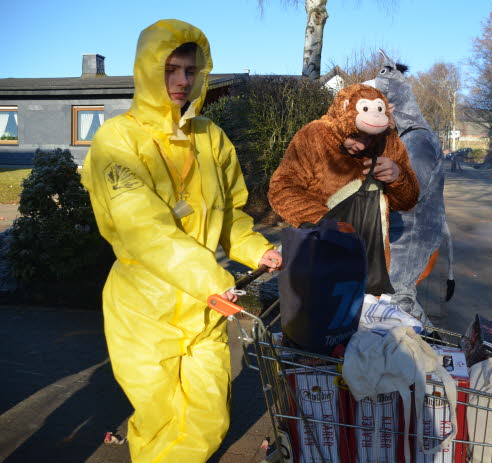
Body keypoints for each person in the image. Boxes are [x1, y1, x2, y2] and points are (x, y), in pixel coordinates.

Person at [81, 19, 281, 463]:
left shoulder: (211, 137)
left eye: (191, 70)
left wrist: (255, 250)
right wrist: (211, 278)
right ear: (147, 69)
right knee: (161, 417)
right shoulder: (117, 140)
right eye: (170, 68)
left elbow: (230, 214)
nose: (181, 81)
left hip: (204, 305)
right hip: (143, 307)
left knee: (210, 417)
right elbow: (143, 228)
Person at [267, 84, 419, 295]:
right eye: (356, 136)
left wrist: (398, 176)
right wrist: (326, 224)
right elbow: (282, 189)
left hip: (370, 265)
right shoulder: (314, 136)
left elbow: (408, 201)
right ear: (343, 119)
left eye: (369, 138)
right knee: (316, 318)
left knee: (362, 323)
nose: (363, 146)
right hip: (317, 257)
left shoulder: (388, 142)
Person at [364, 51, 455, 326]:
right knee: (382, 296)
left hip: (413, 233)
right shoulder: (399, 138)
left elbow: (410, 192)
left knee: (396, 297)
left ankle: (431, 356)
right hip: (400, 229)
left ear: (391, 106)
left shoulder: (417, 139)